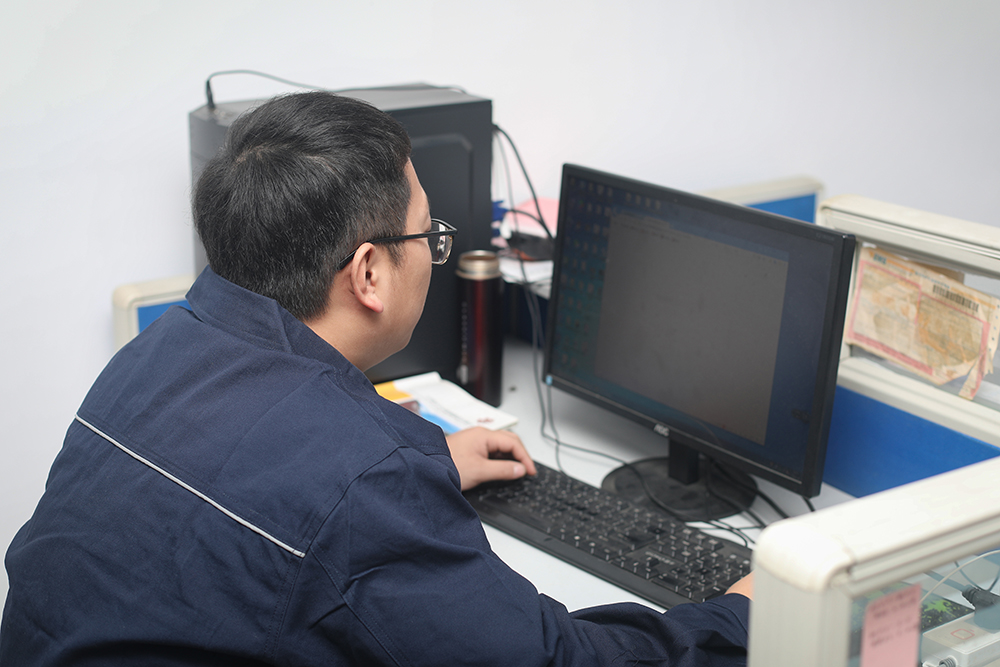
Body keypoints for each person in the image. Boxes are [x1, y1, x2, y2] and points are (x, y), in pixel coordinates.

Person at [1, 91, 751, 665]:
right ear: (368, 273)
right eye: (428, 234)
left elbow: (254, 486)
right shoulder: (363, 481)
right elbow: (555, 660)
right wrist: (743, 612)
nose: (433, 252)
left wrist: (421, 464)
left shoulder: (157, 353)